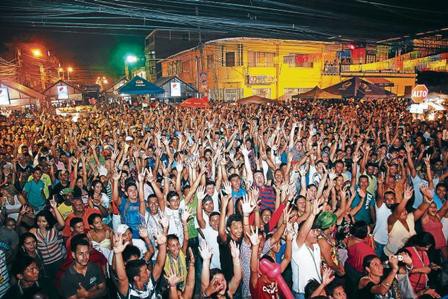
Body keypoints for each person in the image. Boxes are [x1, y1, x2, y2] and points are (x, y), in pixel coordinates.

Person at [113, 228, 167, 299]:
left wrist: (162, 245)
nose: (148, 271)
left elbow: (159, 265)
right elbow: (122, 279)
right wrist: (118, 253)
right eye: (145, 271)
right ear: (136, 278)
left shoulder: (150, 283)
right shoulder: (128, 291)